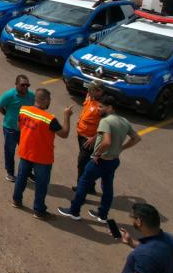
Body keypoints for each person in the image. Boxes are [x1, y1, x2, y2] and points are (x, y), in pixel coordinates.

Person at [58, 95, 141, 223]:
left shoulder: (105, 122)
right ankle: (102, 215)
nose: (98, 109)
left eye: (101, 107)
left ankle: (74, 211)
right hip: (114, 160)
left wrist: (97, 154)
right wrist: (121, 148)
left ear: (110, 107)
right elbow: (136, 138)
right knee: (108, 188)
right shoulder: (124, 121)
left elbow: (106, 142)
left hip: (101, 161)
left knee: (83, 184)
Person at [12, 87, 73, 219]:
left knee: (21, 178)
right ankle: (39, 211)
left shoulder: (23, 110)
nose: (50, 102)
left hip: (25, 152)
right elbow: (64, 134)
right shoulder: (49, 119)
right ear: (45, 100)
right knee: (41, 184)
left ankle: (16, 200)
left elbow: (18, 126)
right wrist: (67, 116)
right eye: (49, 100)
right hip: (42, 158)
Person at [0, 75, 35, 182]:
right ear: (16, 84)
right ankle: (10, 172)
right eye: (22, 85)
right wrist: (7, 115)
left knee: (27, 152)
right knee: (10, 151)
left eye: (27, 85)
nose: (25, 87)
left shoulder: (31, 96)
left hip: (25, 130)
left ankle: (27, 172)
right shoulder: (9, 95)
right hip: (10, 129)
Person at [73, 82, 106, 193]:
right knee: (86, 162)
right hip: (81, 135)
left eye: (91, 90)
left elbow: (105, 127)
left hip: (89, 140)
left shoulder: (102, 106)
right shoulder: (90, 97)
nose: (88, 92)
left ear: (99, 92)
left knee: (82, 163)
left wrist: (94, 138)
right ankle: (90, 187)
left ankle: (81, 188)